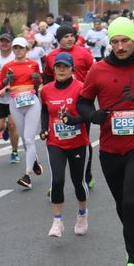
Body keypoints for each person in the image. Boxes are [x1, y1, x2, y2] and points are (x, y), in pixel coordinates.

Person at [77, 17, 134, 266]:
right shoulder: (98, 70)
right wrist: (94, 115)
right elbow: (82, 103)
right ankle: (132, 242)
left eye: (125, 40)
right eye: (115, 41)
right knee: (122, 204)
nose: (120, 46)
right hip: (110, 149)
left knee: (131, 202)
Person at [40, 52, 90, 237]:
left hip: (77, 142)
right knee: (57, 180)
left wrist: (73, 120)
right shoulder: (46, 90)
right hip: (55, 142)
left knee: (78, 182)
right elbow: (45, 110)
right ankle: (57, 221)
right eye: (58, 66)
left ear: (72, 69)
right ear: (53, 69)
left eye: (65, 67)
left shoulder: (81, 88)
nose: (61, 70)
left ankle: (82, 214)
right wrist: (44, 128)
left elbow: (87, 116)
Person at [0, 37, 44, 189]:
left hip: (32, 103)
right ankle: (34, 160)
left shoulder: (33, 64)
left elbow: (39, 80)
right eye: (15, 48)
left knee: (29, 140)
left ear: (26, 49)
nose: (18, 51)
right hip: (15, 103)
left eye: (21, 48)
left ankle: (27, 175)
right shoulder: (7, 66)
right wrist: (5, 82)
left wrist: (38, 79)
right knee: (24, 139)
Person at [0, 33, 20, 161]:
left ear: (11, 43)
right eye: (2, 41)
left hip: (13, 97)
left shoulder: (16, 57)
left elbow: (19, 78)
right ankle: (5, 127)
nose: (4, 44)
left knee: (13, 125)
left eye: (7, 41)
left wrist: (6, 87)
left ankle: (14, 152)